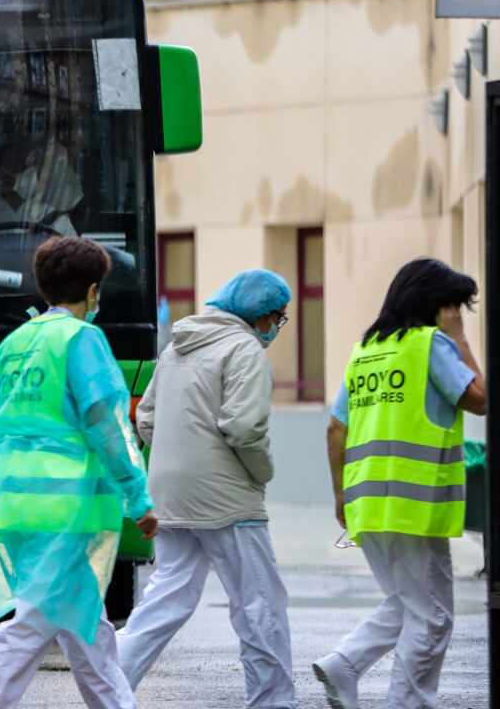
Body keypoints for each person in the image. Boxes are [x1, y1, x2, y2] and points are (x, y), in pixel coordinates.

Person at [0, 236, 158, 709]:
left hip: (12, 502)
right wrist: (138, 499)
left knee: (89, 630)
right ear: (91, 290)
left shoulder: (16, 343)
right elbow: (106, 425)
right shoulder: (82, 340)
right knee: (29, 628)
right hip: (63, 507)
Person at [116, 269, 297, 709]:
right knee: (259, 603)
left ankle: (109, 681)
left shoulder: (178, 346)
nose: (277, 326)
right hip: (227, 500)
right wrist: (262, 473)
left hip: (170, 494)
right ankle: (272, 701)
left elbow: (146, 419)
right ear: (259, 315)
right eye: (277, 317)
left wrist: (179, 458)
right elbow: (244, 428)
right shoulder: (244, 350)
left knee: (167, 597)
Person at [312, 258, 487, 709]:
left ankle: (345, 664)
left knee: (407, 603)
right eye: (454, 306)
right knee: (432, 618)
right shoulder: (431, 345)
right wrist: (461, 339)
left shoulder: (365, 351)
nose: (456, 315)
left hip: (367, 502)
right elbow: (482, 400)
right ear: (437, 306)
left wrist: (340, 494)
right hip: (414, 505)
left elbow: (335, 428)